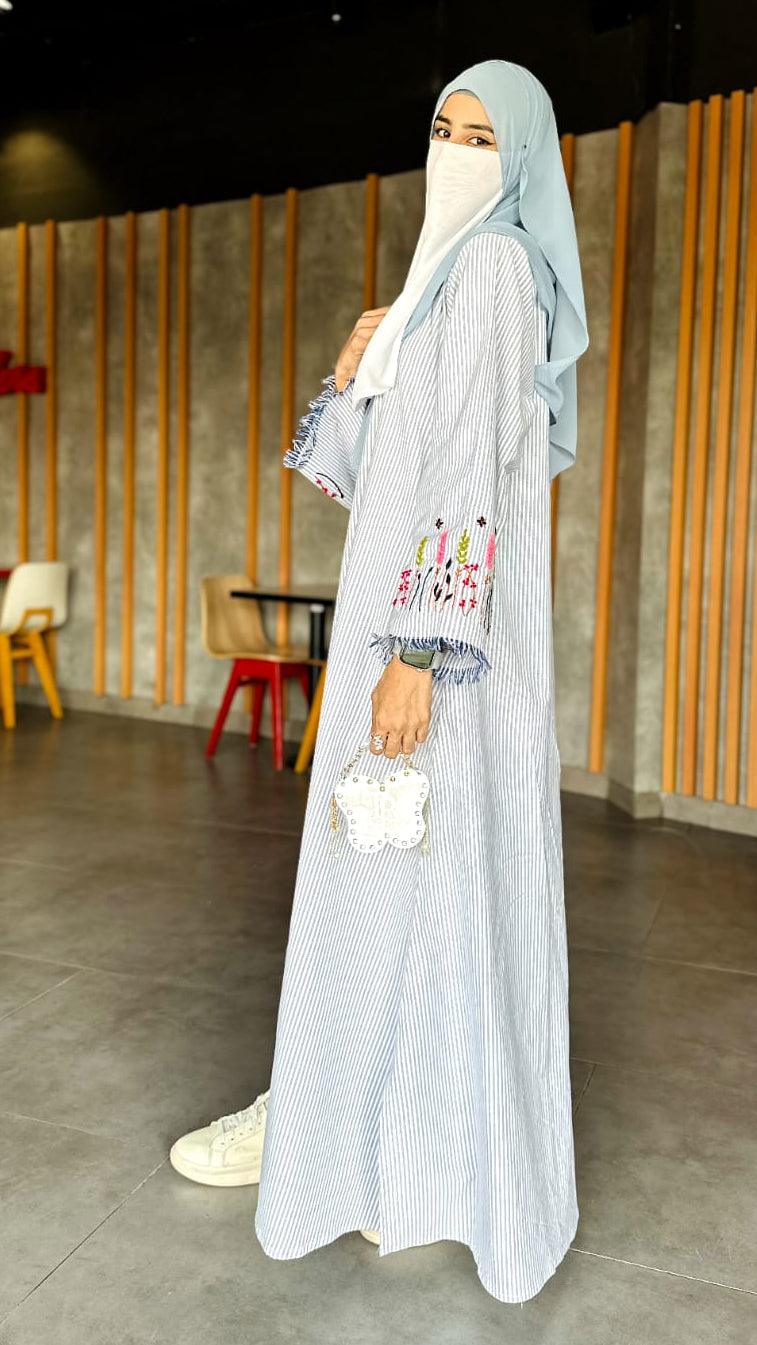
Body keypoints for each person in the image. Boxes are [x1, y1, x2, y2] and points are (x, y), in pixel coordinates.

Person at [170, 58, 589, 1306]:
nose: (455, 151)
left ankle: (404, 1160)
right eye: (440, 128)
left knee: (420, 899)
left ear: (520, 160)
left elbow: (465, 484)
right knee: (391, 898)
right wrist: (369, 356)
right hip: (404, 644)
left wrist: (416, 654)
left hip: (434, 665)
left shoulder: (502, 271)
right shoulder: (438, 286)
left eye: (481, 135)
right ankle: (337, 1128)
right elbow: (364, 475)